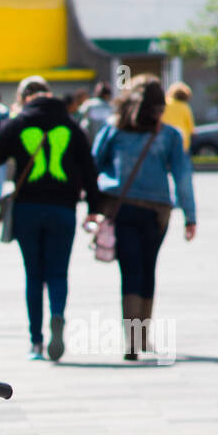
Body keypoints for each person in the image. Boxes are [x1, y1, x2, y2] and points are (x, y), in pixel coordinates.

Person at [0, 75, 103, 361]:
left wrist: (5, 126)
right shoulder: (71, 126)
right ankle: (58, 315)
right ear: (49, 95)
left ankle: (36, 342)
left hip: (27, 208)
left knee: (33, 275)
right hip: (63, 209)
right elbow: (90, 168)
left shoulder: (17, 123)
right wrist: (94, 206)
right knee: (58, 272)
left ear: (23, 97)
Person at [89, 74, 197, 360]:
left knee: (130, 271)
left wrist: (98, 196)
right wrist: (190, 216)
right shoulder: (170, 135)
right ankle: (143, 336)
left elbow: (93, 164)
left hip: (122, 208)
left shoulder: (113, 129)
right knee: (148, 268)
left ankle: (131, 342)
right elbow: (182, 177)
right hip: (158, 211)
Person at [161, 82, 195, 152]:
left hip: (165, 138)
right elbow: (191, 128)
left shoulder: (165, 103)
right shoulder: (185, 107)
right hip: (182, 140)